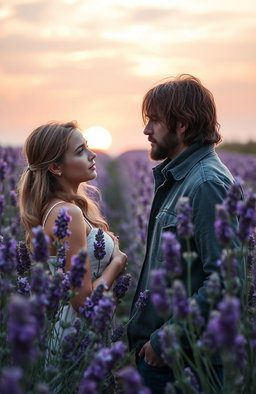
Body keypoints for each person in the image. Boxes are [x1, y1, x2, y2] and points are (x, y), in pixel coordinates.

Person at [127, 74, 241, 393]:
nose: (147, 130)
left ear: (182, 125)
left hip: (182, 362)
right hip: (166, 358)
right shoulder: (183, 177)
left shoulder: (206, 184)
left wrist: (166, 339)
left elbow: (227, 279)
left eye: (154, 121)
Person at [18, 121, 127, 322]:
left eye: (87, 146)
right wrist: (117, 263)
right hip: (75, 336)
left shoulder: (62, 207)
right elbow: (83, 303)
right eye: (80, 151)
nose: (92, 154)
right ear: (55, 167)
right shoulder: (67, 214)